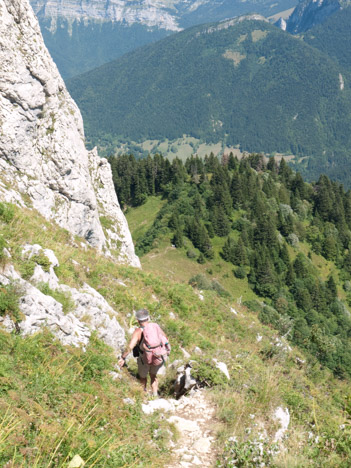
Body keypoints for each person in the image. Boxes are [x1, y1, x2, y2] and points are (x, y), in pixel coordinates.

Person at [118, 308, 170, 396]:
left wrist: (123, 358)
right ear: (148, 318)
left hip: (144, 358)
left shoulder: (138, 332)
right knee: (153, 376)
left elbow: (130, 347)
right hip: (157, 356)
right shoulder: (156, 327)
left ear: (137, 320)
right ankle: (154, 395)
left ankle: (143, 394)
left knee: (143, 377)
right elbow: (165, 339)